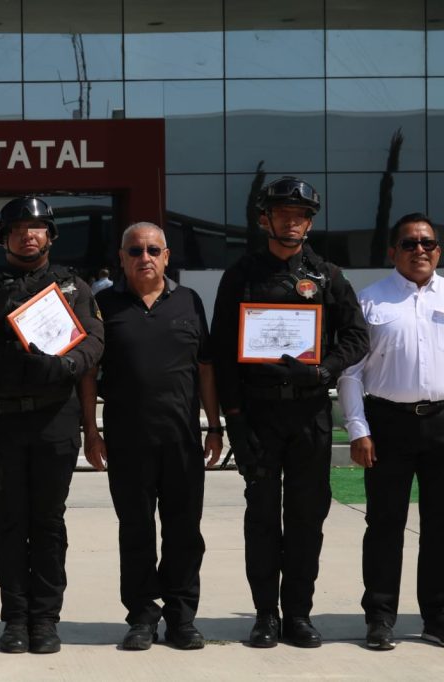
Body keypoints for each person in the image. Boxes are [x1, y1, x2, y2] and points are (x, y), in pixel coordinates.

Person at [210, 177, 368, 648]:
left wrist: (324, 371)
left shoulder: (327, 276)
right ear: (266, 219)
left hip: (309, 416)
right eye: (283, 213)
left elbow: (357, 338)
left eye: (301, 214)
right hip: (258, 414)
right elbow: (222, 354)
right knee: (261, 519)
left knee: (306, 518)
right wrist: (234, 421)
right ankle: (264, 615)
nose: (292, 221)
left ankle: (298, 614)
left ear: (310, 222)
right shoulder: (240, 276)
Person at [0, 196, 104, 654]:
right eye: (18, 228)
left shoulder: (73, 286)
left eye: (37, 228)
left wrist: (68, 365)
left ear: (50, 235)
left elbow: (95, 340)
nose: (28, 235)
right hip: (4, 423)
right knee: (10, 522)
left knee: (49, 522)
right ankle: (15, 617)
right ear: (4, 236)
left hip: (55, 418)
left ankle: (46, 619)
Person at [80, 222, 222, 651]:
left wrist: (214, 427)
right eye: (135, 250)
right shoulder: (104, 305)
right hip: (126, 439)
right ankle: (142, 614)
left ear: (167, 256)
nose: (145, 257)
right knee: (136, 530)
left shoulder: (190, 302)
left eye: (153, 250)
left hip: (181, 439)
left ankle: (182, 617)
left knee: (184, 531)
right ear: (121, 258)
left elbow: (206, 369)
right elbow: (88, 373)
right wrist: (91, 431)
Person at [338, 213, 444, 651]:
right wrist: (358, 430)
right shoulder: (370, 301)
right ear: (393, 251)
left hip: (442, 422)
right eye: (409, 243)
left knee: (440, 526)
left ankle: (436, 617)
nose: (419, 250)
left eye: (428, 243)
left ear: (437, 249)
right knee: (384, 525)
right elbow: (350, 373)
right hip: (387, 424)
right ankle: (380, 617)